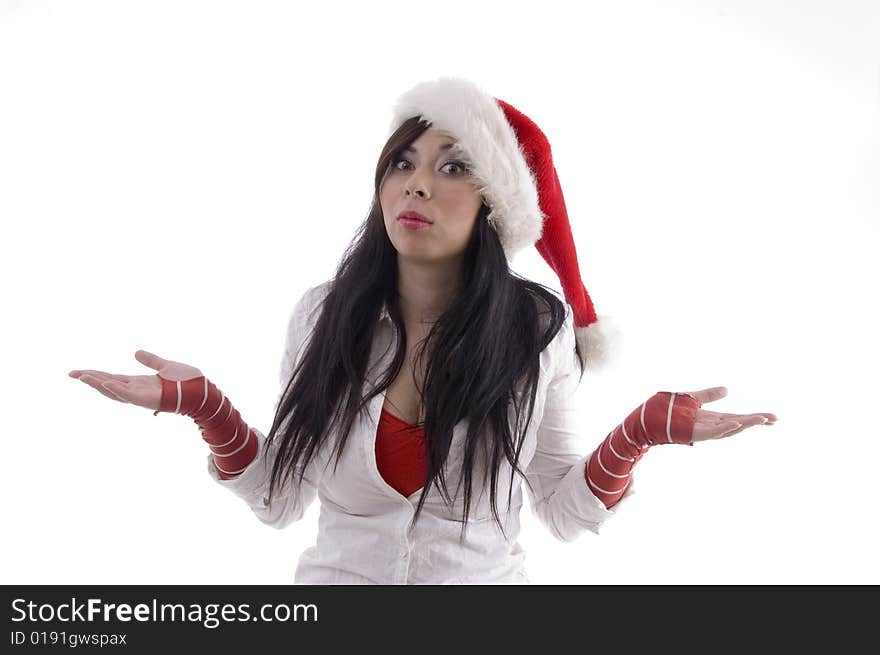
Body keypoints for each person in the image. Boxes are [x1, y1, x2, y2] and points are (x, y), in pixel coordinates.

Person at [69, 77, 778, 584]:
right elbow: (278, 496)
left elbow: (561, 510)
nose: (416, 184)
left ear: (494, 204)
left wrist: (641, 432)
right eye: (403, 163)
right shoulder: (322, 315)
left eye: (453, 167)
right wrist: (202, 405)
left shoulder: (536, 332)